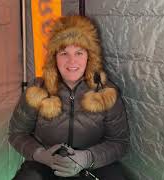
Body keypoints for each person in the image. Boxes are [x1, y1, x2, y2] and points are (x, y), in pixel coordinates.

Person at [8, 15, 130, 180]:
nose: (72, 61)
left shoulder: (106, 93)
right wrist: (41, 155)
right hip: (45, 166)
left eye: (79, 52)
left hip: (94, 165)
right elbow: (17, 133)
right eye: (64, 53)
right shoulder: (37, 90)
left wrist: (87, 158)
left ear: (89, 56)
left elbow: (119, 142)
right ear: (54, 58)